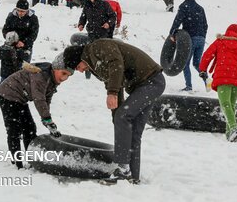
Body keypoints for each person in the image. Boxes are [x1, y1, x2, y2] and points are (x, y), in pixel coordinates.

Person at [63, 40, 166, 184]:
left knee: (124, 117)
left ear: (79, 58)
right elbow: (113, 81)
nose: (79, 70)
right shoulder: (93, 66)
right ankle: (133, 177)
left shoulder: (99, 46)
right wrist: (116, 116)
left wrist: (112, 94)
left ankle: (123, 170)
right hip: (143, 86)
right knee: (133, 131)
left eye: (77, 67)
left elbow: (116, 64)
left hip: (151, 82)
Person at [0, 60, 73, 169]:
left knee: (30, 128)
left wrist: (47, 120)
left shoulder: (51, 79)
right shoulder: (41, 76)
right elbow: (39, 99)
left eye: (68, 76)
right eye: (63, 73)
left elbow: (46, 99)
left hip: (20, 98)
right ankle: (17, 163)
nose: (64, 78)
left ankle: (32, 160)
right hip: (8, 95)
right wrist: (47, 119)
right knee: (14, 130)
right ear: (56, 69)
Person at [198, 24, 237, 142]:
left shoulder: (220, 42)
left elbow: (207, 55)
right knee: (231, 105)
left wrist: (203, 69)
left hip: (223, 77)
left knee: (225, 104)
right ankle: (229, 135)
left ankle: (234, 129)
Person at [169, 0, 208, 91]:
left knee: (185, 63)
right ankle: (207, 80)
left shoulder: (184, 6)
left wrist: (172, 33)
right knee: (197, 63)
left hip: (190, 38)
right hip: (201, 39)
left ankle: (189, 86)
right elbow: (205, 25)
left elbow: (177, 21)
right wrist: (203, 36)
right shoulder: (200, 8)